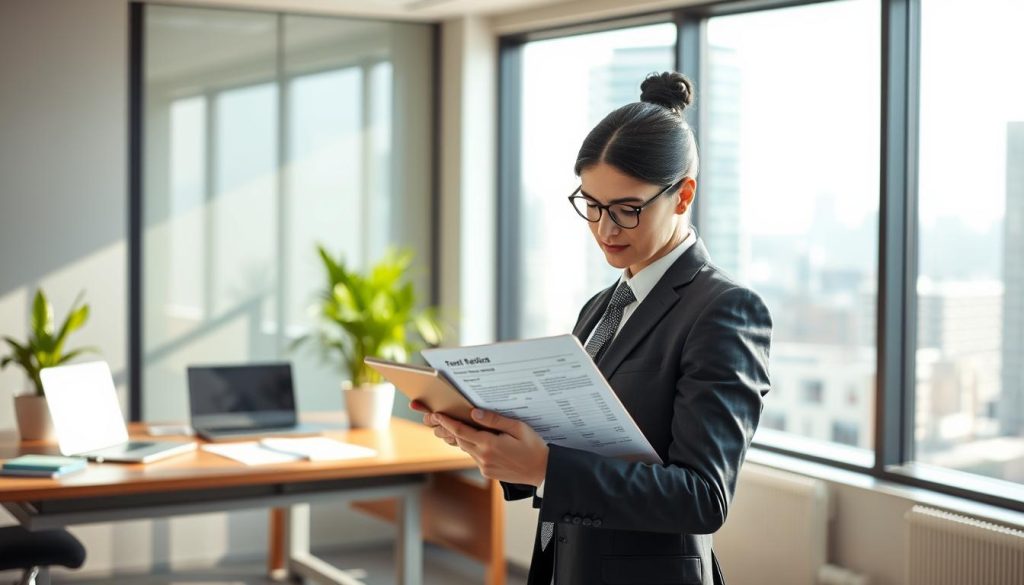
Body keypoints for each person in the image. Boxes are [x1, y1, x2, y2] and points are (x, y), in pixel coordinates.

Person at [412, 71, 772, 585]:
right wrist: (492, 441)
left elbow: (703, 497)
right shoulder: (601, 306)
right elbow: (581, 441)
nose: (605, 229)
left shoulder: (725, 309)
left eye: (627, 210)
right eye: (592, 205)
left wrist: (546, 469)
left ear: (684, 195)